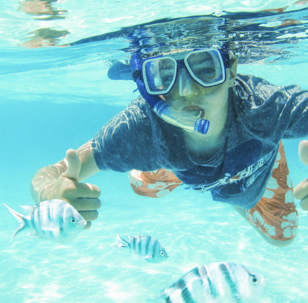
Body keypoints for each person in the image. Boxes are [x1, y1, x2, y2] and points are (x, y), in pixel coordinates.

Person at [31, 46, 308, 247]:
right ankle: (178, 171)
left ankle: (250, 171)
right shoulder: (140, 129)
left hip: (259, 163)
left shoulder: (266, 109)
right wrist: (50, 192)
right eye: (165, 73)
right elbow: (52, 173)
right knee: (142, 186)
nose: (185, 90)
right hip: (174, 164)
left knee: (282, 239)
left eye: (205, 68)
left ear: (231, 71)